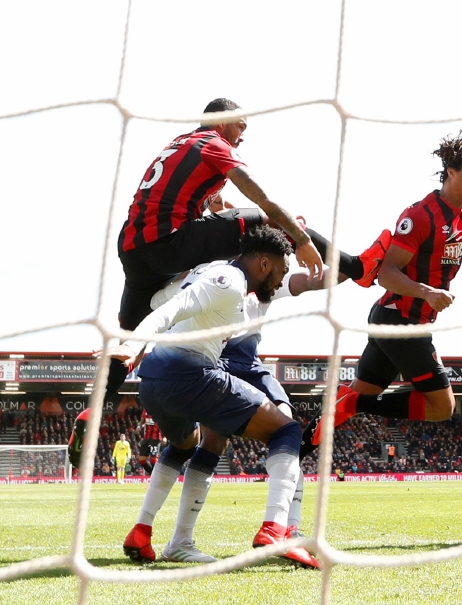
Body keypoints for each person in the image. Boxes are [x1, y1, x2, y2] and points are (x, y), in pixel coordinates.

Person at [298, 129, 462, 456]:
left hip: (399, 321)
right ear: (451, 172)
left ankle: (296, 452)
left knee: (351, 397)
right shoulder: (420, 215)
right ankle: (356, 404)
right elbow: (386, 273)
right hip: (401, 320)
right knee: (442, 406)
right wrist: (426, 292)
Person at [110, 225, 317, 569]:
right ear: (264, 264)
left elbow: (159, 300)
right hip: (189, 375)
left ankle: (144, 531)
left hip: (153, 380)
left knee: (186, 443)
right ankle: (276, 530)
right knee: (287, 431)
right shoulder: (230, 282)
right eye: (281, 270)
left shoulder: (207, 271)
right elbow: (169, 310)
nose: (281, 279)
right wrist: (132, 345)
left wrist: (133, 343)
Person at [103, 97, 325, 413]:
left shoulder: (181, 143)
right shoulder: (214, 143)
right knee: (271, 219)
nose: (243, 135)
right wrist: (301, 239)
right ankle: (358, 265)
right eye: (241, 125)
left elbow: (211, 204)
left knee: (128, 346)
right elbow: (261, 198)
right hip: (169, 243)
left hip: (133, 251)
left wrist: (223, 209)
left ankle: (90, 413)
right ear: (223, 121)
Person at [137, 409, 161, 475]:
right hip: (146, 438)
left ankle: (155, 479)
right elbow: (142, 420)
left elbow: (164, 422)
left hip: (155, 438)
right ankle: (154, 476)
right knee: (142, 461)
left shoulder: (159, 409)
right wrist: (139, 426)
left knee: (153, 460)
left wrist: (164, 436)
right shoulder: (146, 410)